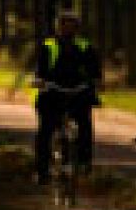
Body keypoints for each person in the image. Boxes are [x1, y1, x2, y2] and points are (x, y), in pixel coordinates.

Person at [33, 10, 102, 185]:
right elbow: (40, 69)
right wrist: (40, 81)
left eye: (72, 26)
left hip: (78, 92)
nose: (68, 29)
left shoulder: (85, 46)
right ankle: (42, 170)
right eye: (64, 25)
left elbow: (95, 70)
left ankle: (85, 162)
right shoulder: (48, 46)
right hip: (53, 92)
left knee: (84, 125)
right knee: (45, 130)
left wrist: (95, 82)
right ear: (58, 27)